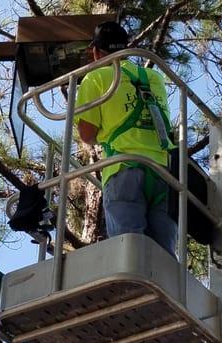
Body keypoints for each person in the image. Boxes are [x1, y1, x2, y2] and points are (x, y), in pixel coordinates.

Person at [75, 21, 177, 257]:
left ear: (96, 51)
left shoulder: (96, 77)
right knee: (165, 258)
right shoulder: (153, 76)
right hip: (165, 171)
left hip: (124, 168)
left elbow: (87, 134)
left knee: (129, 252)